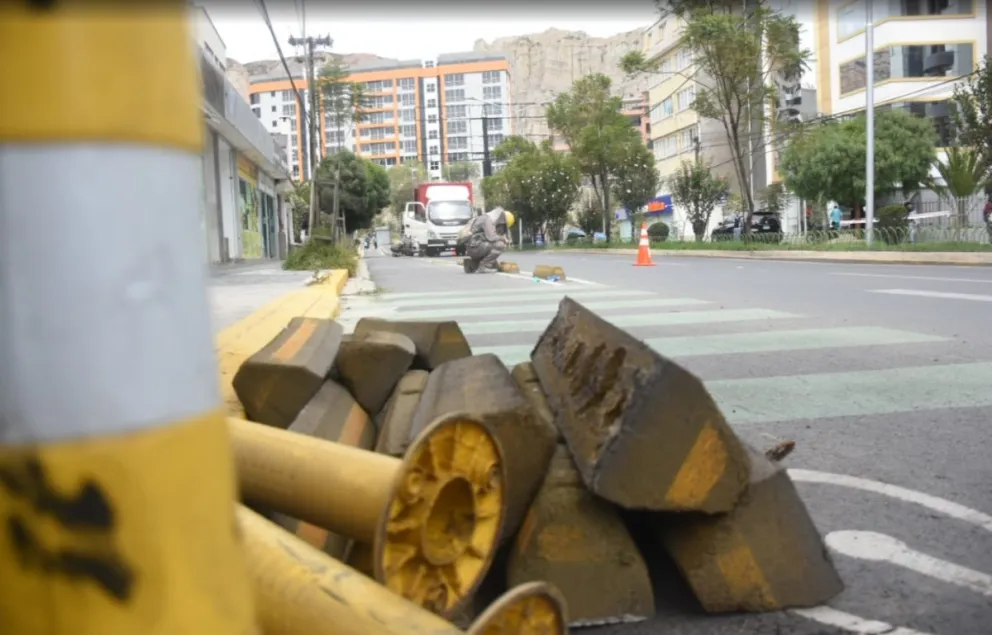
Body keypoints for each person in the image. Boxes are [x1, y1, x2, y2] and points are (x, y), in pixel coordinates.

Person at [460, 208, 515, 273]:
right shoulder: (488, 220)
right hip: (475, 246)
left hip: (473, 247)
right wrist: (503, 239)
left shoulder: (487, 217)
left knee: (494, 257)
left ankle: (472, 264)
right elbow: (492, 238)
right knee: (500, 245)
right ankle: (484, 266)